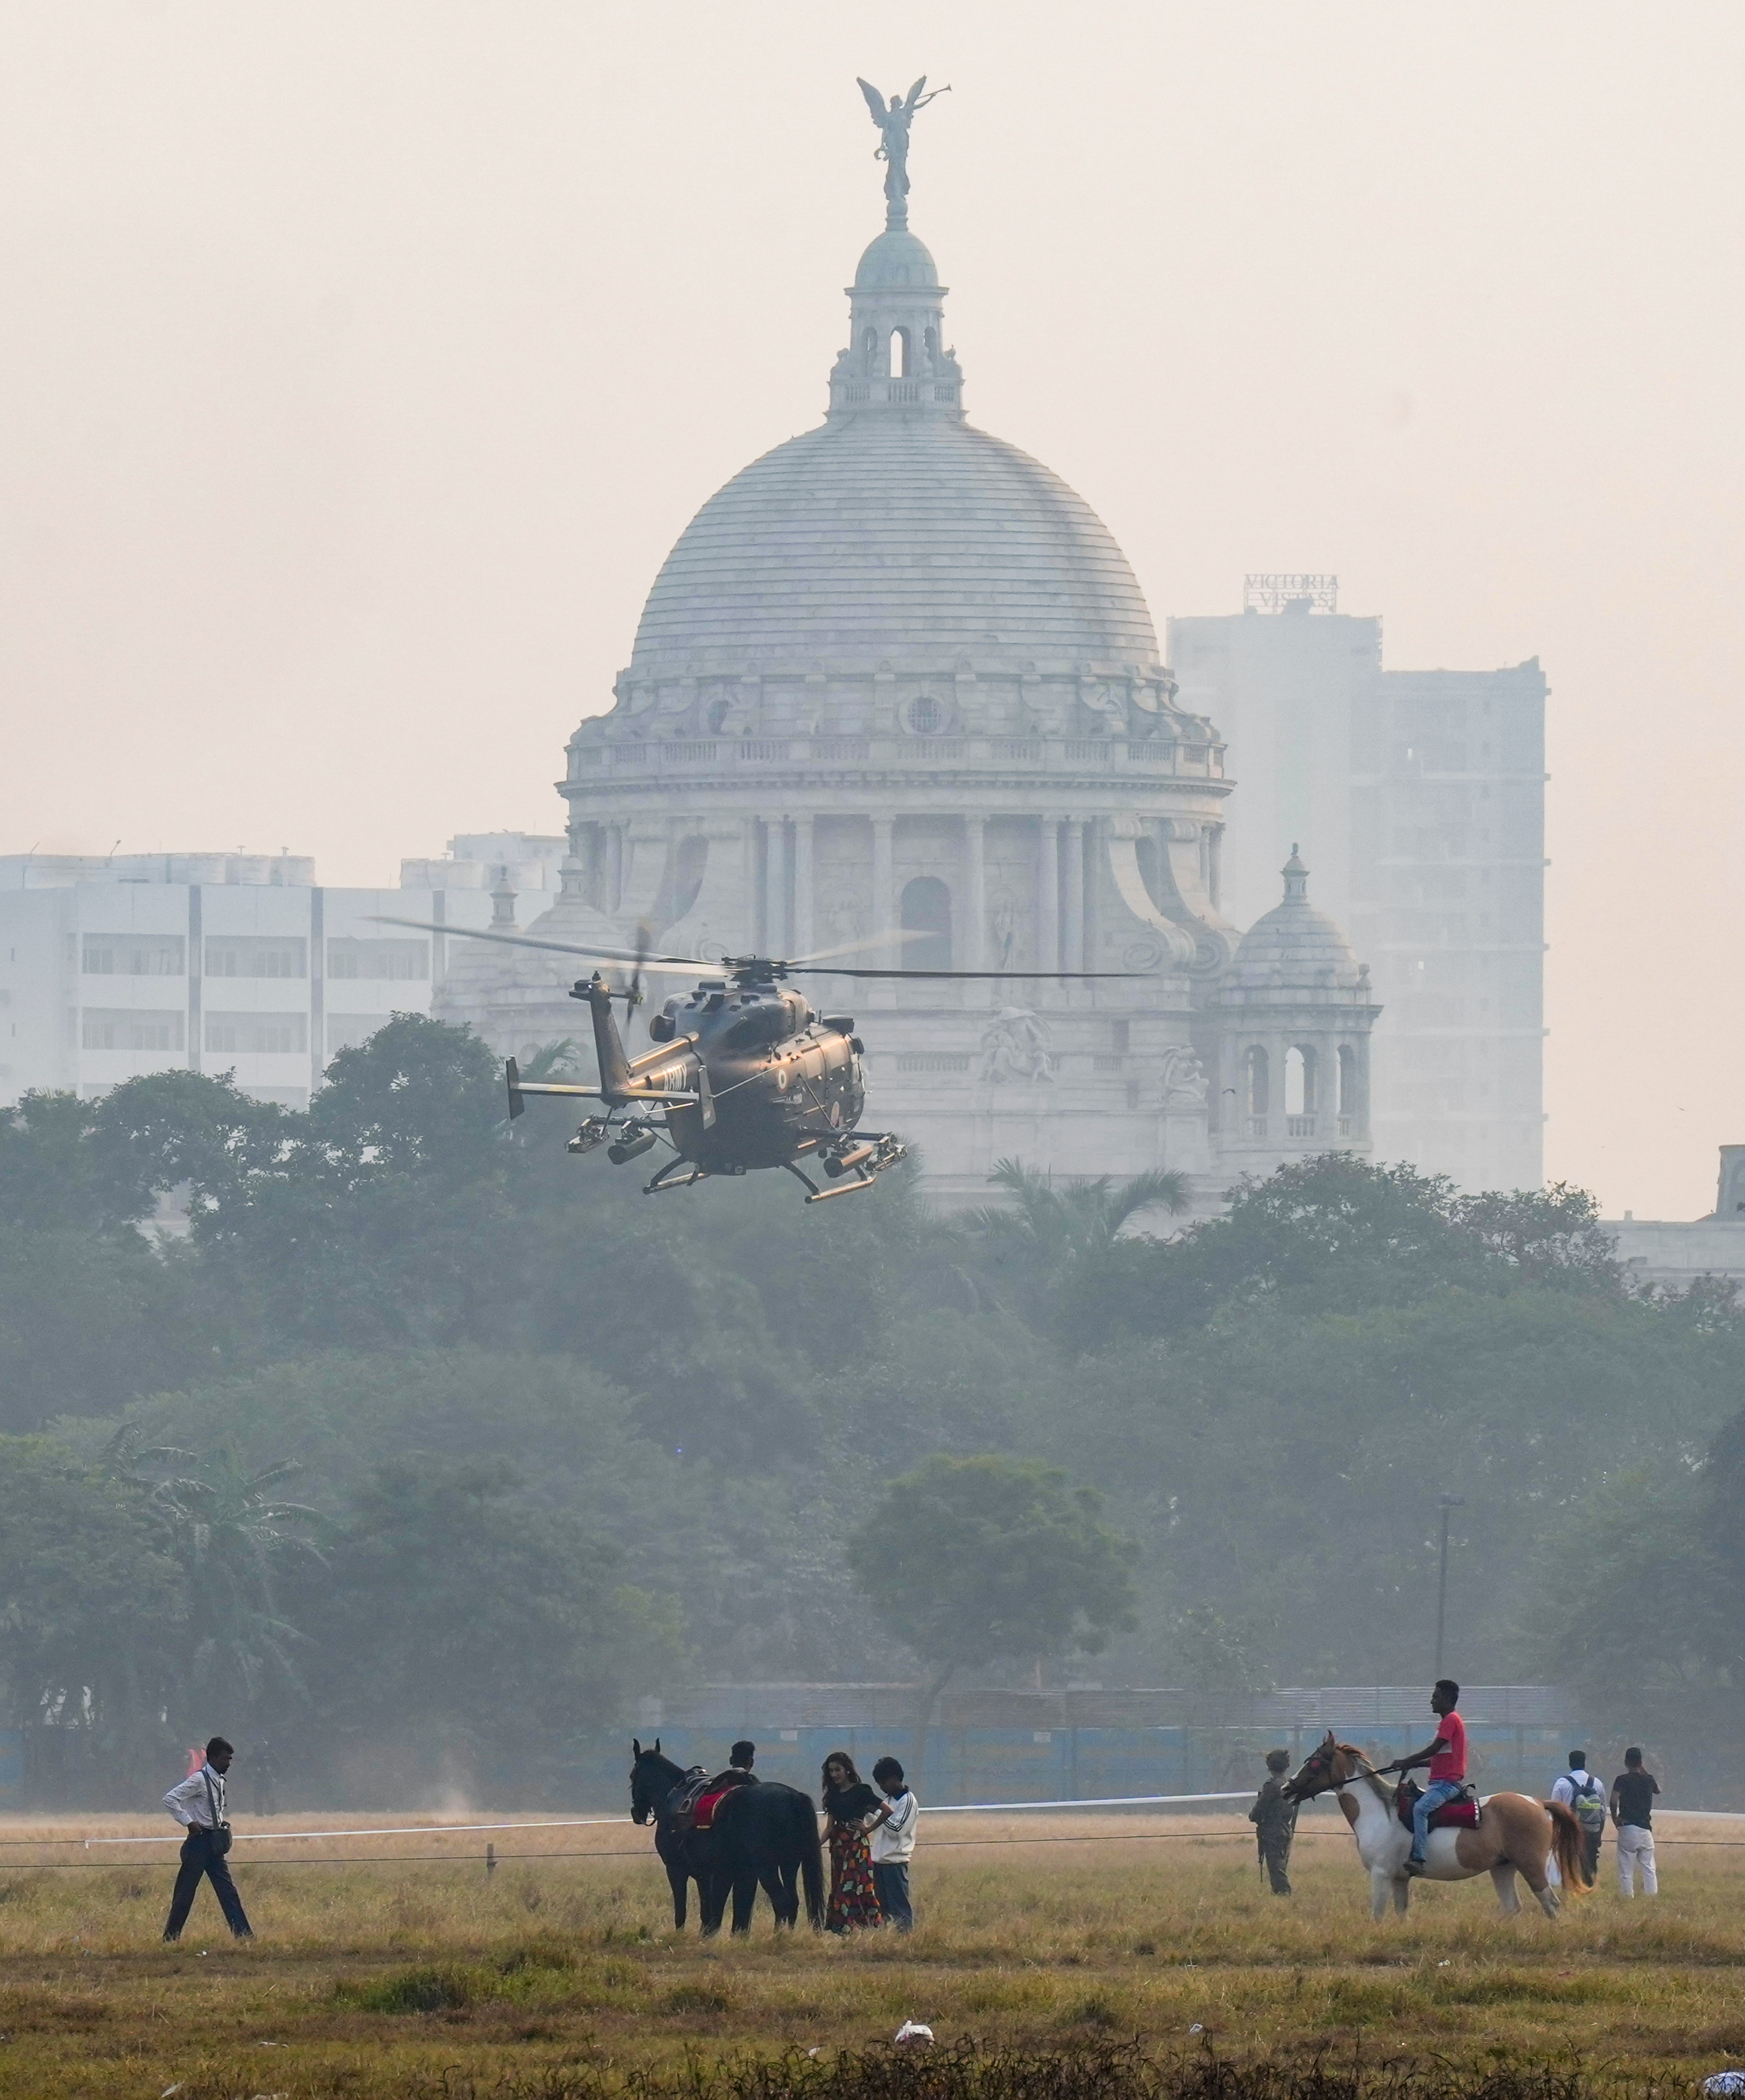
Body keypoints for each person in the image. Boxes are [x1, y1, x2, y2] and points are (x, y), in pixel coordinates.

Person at [162, 1735, 252, 1942]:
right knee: (185, 1894)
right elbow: (170, 1799)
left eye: (230, 1759)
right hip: (199, 1842)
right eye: (225, 1759)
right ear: (212, 1758)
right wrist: (188, 1822)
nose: (229, 1763)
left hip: (214, 1842)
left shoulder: (219, 1780)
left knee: (228, 1891)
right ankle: (171, 1938)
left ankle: (244, 1936)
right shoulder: (199, 1780)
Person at [1380, 1678, 1466, 1875]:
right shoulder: (1448, 1721)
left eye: (1436, 1697)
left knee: (1420, 1809)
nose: (1432, 1701)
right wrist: (1410, 1764)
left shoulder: (1451, 1720)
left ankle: (1419, 1858)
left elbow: (1434, 1749)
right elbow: (1436, 1759)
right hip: (1440, 1783)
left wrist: (1407, 1760)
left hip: (1447, 1784)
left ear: (1447, 1699)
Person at [820, 1750, 885, 1932]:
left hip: (857, 1846)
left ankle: (863, 1925)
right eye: (831, 1771)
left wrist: (868, 1829)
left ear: (848, 1770)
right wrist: (815, 1846)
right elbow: (829, 1828)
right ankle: (844, 1928)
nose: (834, 1774)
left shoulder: (861, 1791)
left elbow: (887, 1810)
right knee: (839, 1884)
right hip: (839, 1847)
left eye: (838, 1770)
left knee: (856, 1885)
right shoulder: (832, 1795)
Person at [870, 1756, 918, 1931]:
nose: (881, 1787)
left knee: (899, 1909)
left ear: (895, 1778)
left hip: (895, 1862)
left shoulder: (908, 1801)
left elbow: (897, 1831)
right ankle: (889, 1940)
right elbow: (878, 1826)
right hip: (880, 1861)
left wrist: (878, 1813)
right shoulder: (888, 1801)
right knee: (883, 1910)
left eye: (883, 1782)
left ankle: (904, 1938)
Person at [1550, 1751, 1607, 1884]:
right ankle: (1589, 1887)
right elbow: (1603, 1813)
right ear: (1585, 1763)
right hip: (1592, 1831)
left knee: (1569, 1864)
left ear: (1570, 1764)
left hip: (1569, 1832)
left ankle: (1570, 1888)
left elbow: (1554, 1812)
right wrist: (1599, 1835)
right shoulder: (1597, 1783)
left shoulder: (1562, 1783)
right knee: (1590, 1863)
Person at [1610, 1746, 1661, 1897]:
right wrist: (1644, 1770)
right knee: (1649, 1867)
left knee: (1626, 1868)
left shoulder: (1621, 1780)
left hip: (1627, 1827)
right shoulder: (1649, 1780)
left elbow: (1613, 1801)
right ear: (1641, 1762)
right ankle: (1651, 1896)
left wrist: (1615, 1819)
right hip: (1645, 1829)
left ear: (1626, 1762)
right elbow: (1658, 1791)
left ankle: (1627, 1897)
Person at [1247, 1748, 1298, 1895]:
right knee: (1281, 1865)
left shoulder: (1271, 1786)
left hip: (1272, 1831)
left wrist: (1253, 1816)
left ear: (1270, 1766)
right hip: (1285, 1829)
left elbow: (1258, 1811)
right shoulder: (1289, 1784)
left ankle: (1283, 1895)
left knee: (1276, 1868)